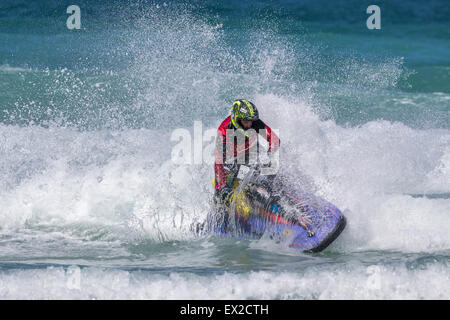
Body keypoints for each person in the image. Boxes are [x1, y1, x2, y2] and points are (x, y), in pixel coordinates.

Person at [214, 99, 280, 204]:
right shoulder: (223, 132)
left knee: (268, 172)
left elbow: (275, 140)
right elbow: (218, 163)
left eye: (251, 122)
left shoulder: (254, 123)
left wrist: (270, 156)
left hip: (251, 154)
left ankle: (271, 197)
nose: (250, 125)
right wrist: (223, 187)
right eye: (246, 122)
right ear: (237, 120)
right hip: (231, 161)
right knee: (220, 194)